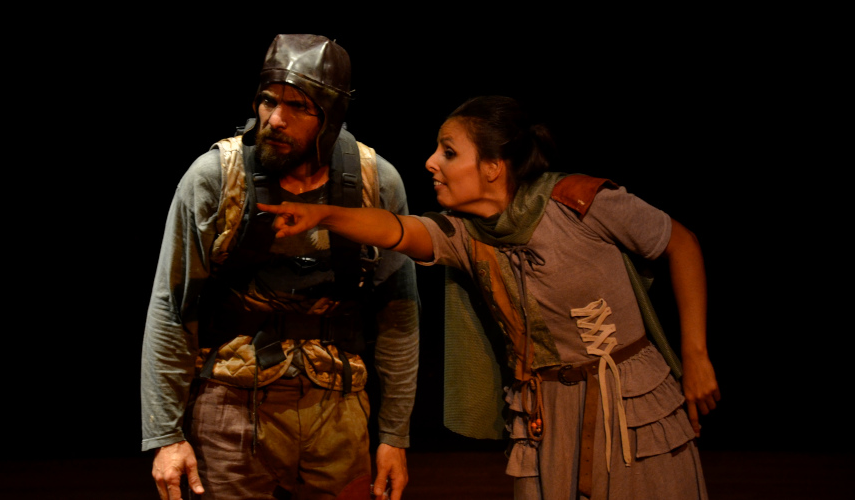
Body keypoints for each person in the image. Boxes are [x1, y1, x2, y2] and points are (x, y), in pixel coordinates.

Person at [260, 95, 720, 500]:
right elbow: (396, 229)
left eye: (449, 152)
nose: (430, 162)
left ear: (493, 167)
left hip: (630, 402)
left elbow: (681, 243)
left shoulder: (579, 202)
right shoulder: (466, 237)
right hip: (545, 412)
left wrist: (695, 354)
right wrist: (323, 215)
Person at [141, 34, 420, 500]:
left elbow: (399, 317)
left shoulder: (377, 182)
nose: (275, 119)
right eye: (268, 100)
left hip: (339, 409)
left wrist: (394, 435)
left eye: (298, 106)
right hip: (231, 408)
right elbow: (172, 308)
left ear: (331, 116)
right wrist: (166, 436)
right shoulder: (214, 177)